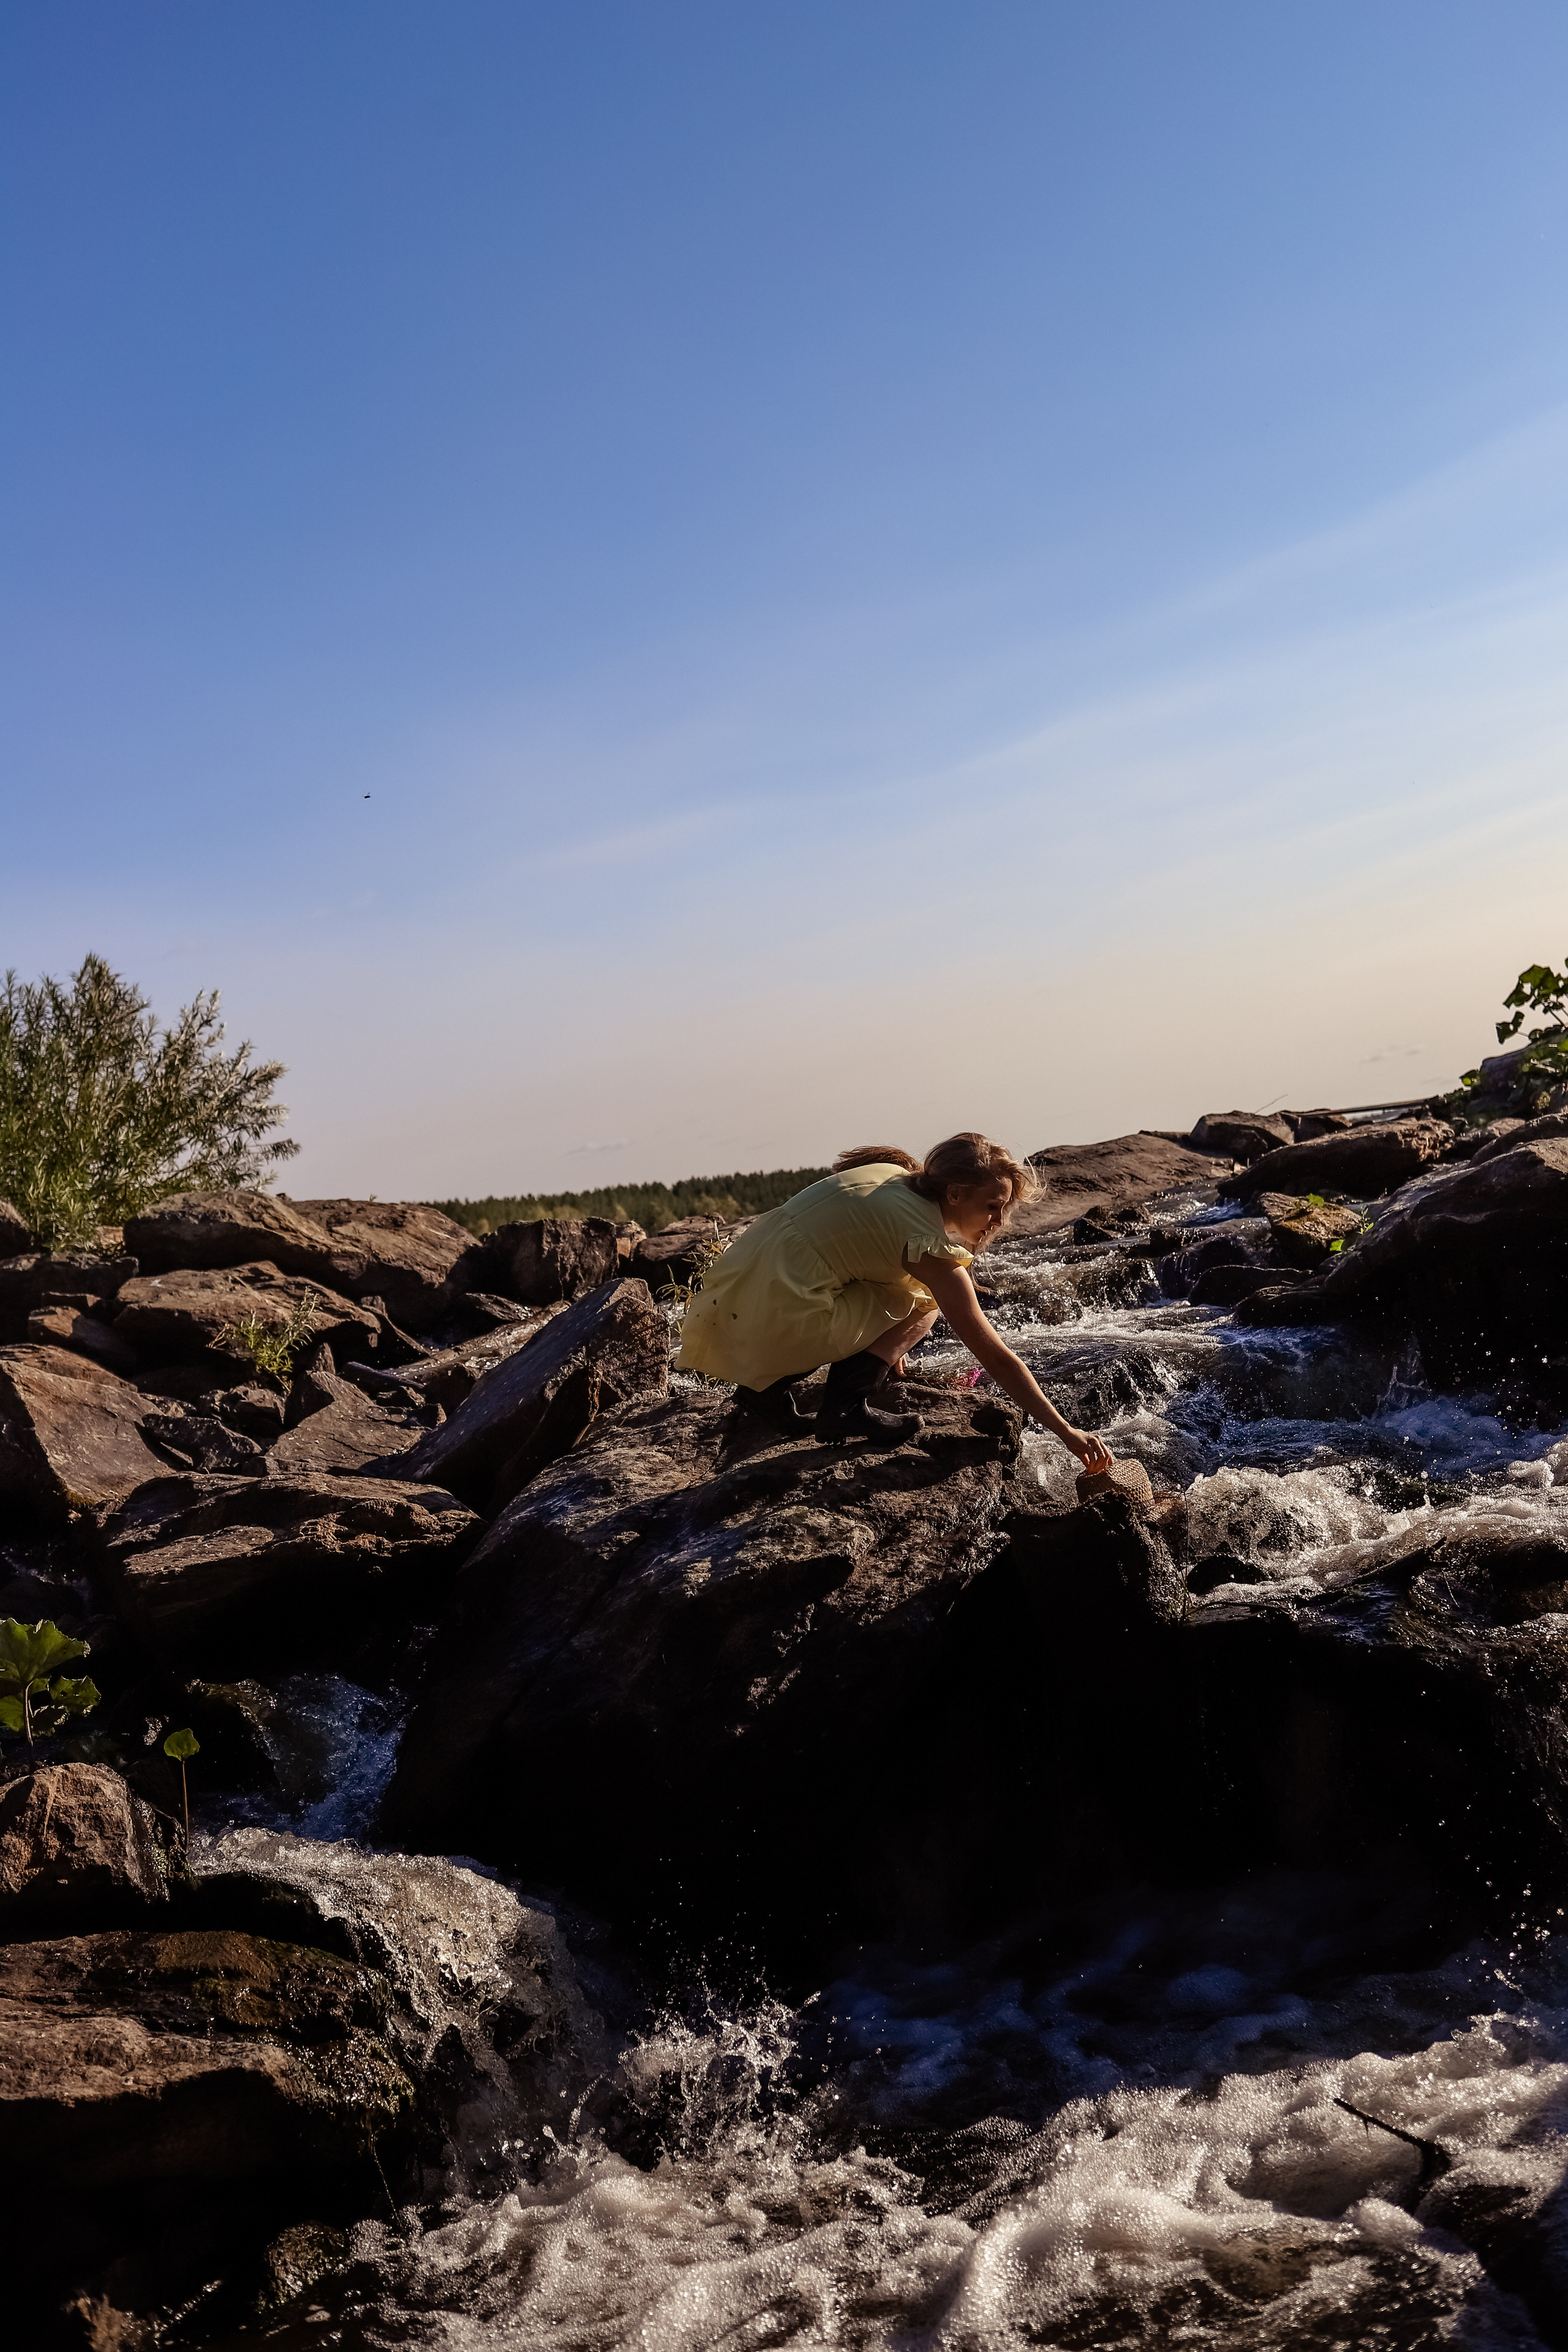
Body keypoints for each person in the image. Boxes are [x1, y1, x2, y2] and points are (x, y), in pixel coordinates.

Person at [675, 1133, 1115, 1466]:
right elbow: (995, 1358)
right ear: (956, 1194)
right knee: (927, 1299)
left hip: (733, 1300)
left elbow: (860, 1254)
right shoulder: (924, 1241)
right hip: (775, 1318)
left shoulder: (893, 1176)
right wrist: (1066, 1431)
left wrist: (894, 1364)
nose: (999, 1220)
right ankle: (846, 1406)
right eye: (993, 1205)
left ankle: (765, 1392)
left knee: (895, 1287)